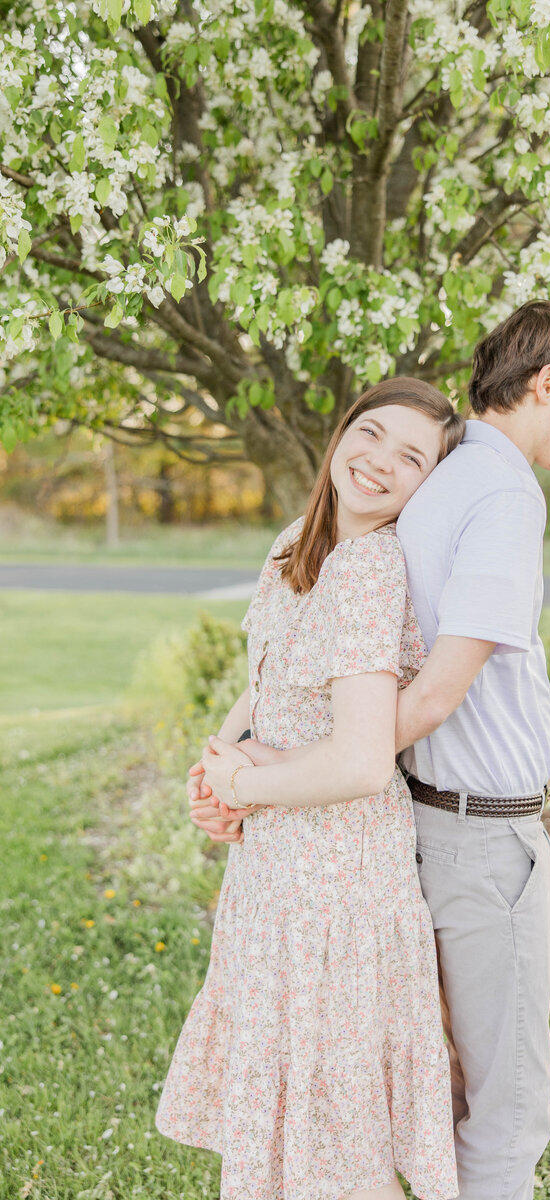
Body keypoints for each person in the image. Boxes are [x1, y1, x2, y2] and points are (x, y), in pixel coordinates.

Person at [199, 299, 550, 1200]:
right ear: (548, 382)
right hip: (471, 832)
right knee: (498, 1106)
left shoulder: (447, 484)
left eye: (407, 451)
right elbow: (422, 699)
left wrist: (258, 772)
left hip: (391, 830)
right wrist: (255, 772)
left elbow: (339, 705)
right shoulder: (497, 492)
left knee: (399, 1086)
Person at [156, 377, 464, 1200]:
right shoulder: (300, 540)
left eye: (412, 457)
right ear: (340, 434)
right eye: (371, 433)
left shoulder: (369, 570)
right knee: (293, 1116)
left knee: (336, 1131)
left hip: (336, 880)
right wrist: (218, 770)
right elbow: (265, 684)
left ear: (428, 485)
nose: (378, 462)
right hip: (277, 869)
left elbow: (362, 761)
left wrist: (248, 784)